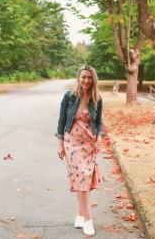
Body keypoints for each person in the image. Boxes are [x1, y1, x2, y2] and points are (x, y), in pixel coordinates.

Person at [55, 65, 103, 236]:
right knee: (82, 175)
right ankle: (88, 219)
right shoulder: (69, 97)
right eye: (83, 77)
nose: (86, 80)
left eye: (89, 78)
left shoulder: (97, 98)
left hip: (89, 143)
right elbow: (61, 120)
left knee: (84, 178)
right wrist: (60, 143)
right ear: (78, 78)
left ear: (93, 80)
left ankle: (80, 214)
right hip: (72, 142)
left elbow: (98, 123)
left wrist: (99, 138)